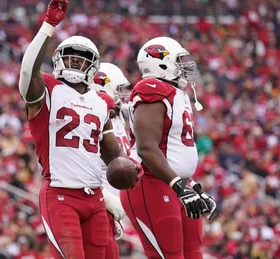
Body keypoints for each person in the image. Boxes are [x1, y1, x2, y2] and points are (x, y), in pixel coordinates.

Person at [18, 1, 142, 258]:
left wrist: (129, 165)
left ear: (93, 67)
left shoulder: (101, 102)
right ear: (58, 60)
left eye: (81, 60)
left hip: (95, 198)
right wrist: (49, 26)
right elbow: (27, 71)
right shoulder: (48, 90)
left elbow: (111, 153)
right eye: (70, 58)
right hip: (61, 194)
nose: (74, 63)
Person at [120, 37, 217, 259]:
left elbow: (173, 152)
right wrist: (179, 186)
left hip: (175, 185)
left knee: (193, 254)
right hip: (152, 183)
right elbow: (146, 148)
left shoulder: (179, 95)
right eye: (179, 61)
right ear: (160, 63)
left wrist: (192, 186)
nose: (185, 67)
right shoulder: (152, 89)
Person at [90, 62, 133, 259]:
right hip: (98, 203)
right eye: (118, 89)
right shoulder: (93, 116)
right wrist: (104, 196)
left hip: (116, 205)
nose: (123, 95)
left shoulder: (117, 117)